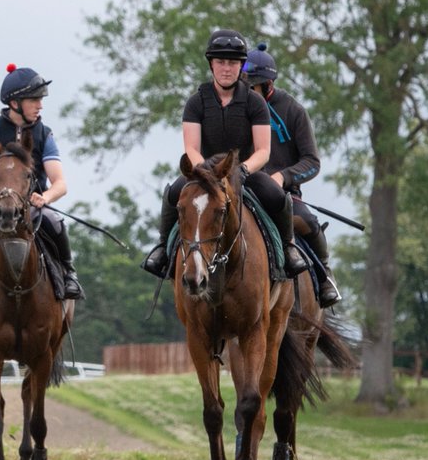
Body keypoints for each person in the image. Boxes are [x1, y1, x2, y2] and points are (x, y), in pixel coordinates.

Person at [141, 29, 307, 279]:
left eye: (232, 63)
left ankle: (288, 247)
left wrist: (242, 169)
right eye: (221, 62)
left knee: (278, 197)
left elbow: (263, 150)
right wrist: (206, 173)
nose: (226, 68)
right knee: (173, 192)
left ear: (241, 66)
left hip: (245, 173)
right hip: (205, 173)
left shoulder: (255, 102)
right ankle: (163, 249)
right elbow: (192, 149)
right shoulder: (195, 103)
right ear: (211, 65)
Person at [0, 65, 83, 299]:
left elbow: (60, 183)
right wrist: (1, 198)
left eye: (40, 100)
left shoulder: (44, 133)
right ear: (14, 102)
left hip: (33, 203)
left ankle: (69, 275)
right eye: (34, 99)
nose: (40, 105)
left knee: (55, 221)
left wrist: (45, 198)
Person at [245, 43, 341, 307]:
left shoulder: (293, 110)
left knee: (308, 222)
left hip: (283, 195)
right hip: (241, 190)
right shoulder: (237, 109)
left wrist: (283, 177)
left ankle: (325, 276)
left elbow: (312, 162)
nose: (247, 91)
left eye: (252, 86)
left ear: (268, 84)